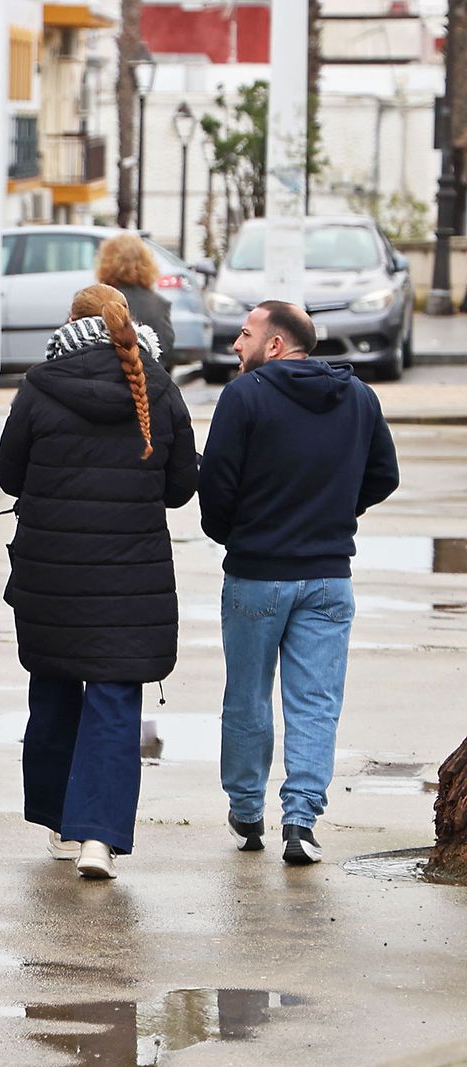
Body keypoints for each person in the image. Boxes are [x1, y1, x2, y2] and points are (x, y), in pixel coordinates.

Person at [0, 283, 198, 880]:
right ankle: (98, 841)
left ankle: (60, 820)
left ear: (70, 321)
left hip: (51, 574)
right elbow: (182, 486)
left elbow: (9, 474)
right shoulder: (158, 388)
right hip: (129, 579)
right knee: (113, 702)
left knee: (55, 689)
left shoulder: (38, 387)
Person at [199, 300, 399, 865]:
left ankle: (246, 811)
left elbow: (215, 483)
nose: (236, 346)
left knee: (247, 697)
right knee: (315, 703)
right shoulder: (359, 397)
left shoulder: (244, 396)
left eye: (245, 335)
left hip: (257, 575)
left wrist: (236, 533)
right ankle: (302, 819)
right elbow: (385, 475)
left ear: (277, 344)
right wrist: (335, 514)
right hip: (329, 576)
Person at [95, 233, 175, 367]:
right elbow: (166, 350)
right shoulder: (159, 304)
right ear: (146, 263)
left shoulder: (95, 299)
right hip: (146, 381)